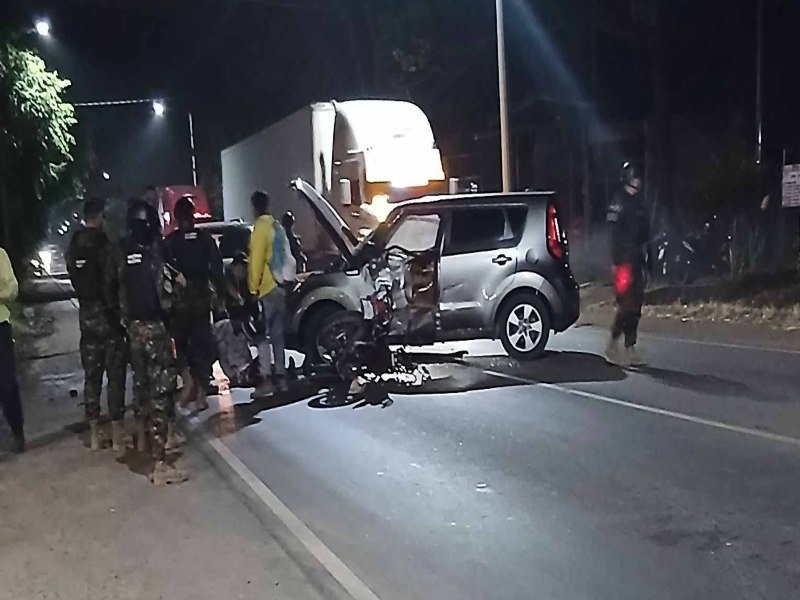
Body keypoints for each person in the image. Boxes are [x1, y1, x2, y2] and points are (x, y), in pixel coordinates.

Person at [118, 200, 187, 485]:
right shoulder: (154, 263)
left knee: (142, 388)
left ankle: (142, 443)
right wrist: (179, 287)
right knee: (161, 395)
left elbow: (120, 300)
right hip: (154, 331)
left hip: (133, 331)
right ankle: (160, 465)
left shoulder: (124, 261)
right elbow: (167, 302)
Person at [66, 196, 128, 454]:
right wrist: (119, 315)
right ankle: (117, 436)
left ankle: (93, 435)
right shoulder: (106, 246)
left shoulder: (74, 246)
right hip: (108, 320)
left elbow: (73, 276)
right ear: (101, 216)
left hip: (86, 318)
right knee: (115, 376)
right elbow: (115, 281)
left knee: (91, 377)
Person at [165, 195, 224, 411]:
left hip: (179, 301)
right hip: (201, 299)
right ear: (193, 216)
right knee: (202, 345)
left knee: (181, 344)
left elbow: (162, 272)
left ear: (176, 216)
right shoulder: (205, 240)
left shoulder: (170, 242)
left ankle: (187, 378)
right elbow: (217, 272)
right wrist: (221, 299)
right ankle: (200, 394)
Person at [606, 161, 651, 367]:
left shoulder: (640, 204)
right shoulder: (619, 202)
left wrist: (649, 260)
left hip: (637, 259)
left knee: (636, 306)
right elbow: (613, 234)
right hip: (623, 259)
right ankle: (614, 341)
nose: (637, 181)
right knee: (626, 305)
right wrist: (616, 261)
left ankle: (630, 347)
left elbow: (645, 234)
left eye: (638, 178)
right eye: (634, 177)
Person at [248, 191, 288, 397]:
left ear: (254, 206)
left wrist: (252, 289)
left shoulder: (260, 228)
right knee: (278, 335)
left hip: (266, 288)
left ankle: (265, 381)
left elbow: (256, 261)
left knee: (261, 336)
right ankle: (282, 378)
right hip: (281, 286)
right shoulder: (276, 226)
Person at [0, 245, 24, 453]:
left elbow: (12, 288)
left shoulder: (0, 255)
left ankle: (17, 431)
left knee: (7, 383)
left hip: (0, 327)